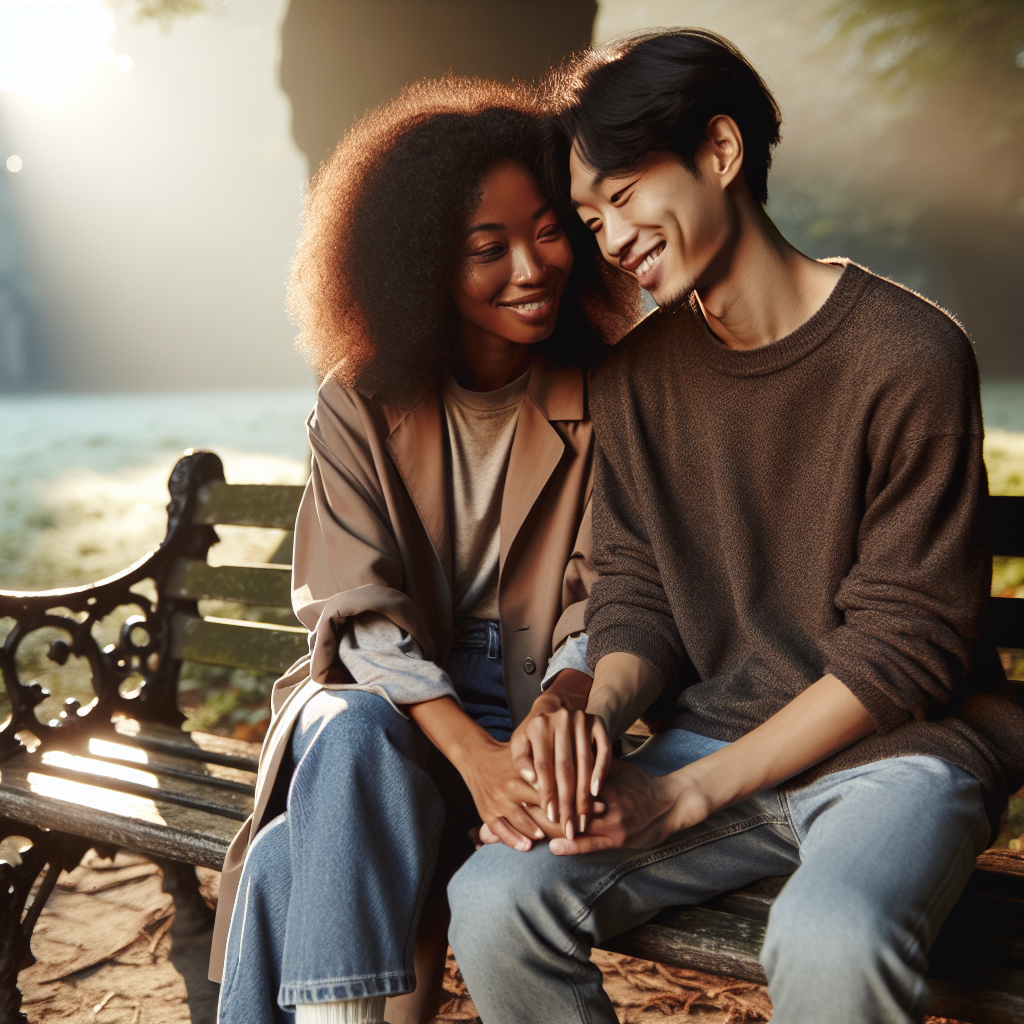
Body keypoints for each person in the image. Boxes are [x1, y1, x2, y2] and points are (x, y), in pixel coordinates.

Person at [447, 29, 1024, 1024]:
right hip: (713, 738)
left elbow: (906, 650)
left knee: (831, 940)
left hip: (897, 753)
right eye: (589, 220)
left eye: (623, 196)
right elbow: (638, 593)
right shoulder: (635, 379)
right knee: (493, 897)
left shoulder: (910, 354)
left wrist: (684, 795)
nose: (611, 239)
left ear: (719, 152)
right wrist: (589, 706)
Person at [209, 76, 641, 1024]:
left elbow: (608, 594)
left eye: (548, 231)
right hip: (385, 695)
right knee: (356, 734)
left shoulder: (612, 393)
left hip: (539, 698)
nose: (531, 268)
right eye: (488, 249)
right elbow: (355, 611)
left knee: (294, 856)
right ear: (421, 267)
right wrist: (471, 756)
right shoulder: (358, 400)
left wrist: (555, 716)